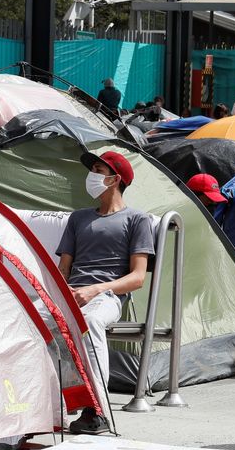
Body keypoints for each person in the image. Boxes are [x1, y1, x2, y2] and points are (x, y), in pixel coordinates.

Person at [56, 151, 155, 433]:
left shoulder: (137, 220)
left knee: (89, 321)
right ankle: (38, 406)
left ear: (115, 179)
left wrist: (95, 289)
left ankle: (97, 410)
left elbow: (137, 278)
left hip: (107, 296)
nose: (92, 175)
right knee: (30, 320)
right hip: (72, 293)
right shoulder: (78, 218)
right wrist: (57, 293)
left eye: (98, 169)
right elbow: (63, 270)